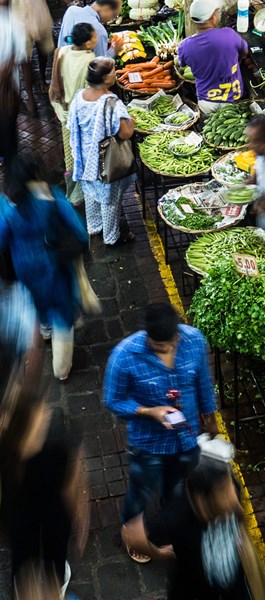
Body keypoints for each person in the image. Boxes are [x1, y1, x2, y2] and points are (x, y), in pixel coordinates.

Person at [104, 302, 220, 563]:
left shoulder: (194, 341)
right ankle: (132, 535)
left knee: (177, 490)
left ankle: (174, 527)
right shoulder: (124, 356)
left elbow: (203, 382)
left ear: (178, 333)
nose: (166, 351)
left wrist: (210, 419)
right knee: (140, 492)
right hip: (148, 444)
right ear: (147, 336)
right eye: (158, 348)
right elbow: (113, 400)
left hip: (187, 439)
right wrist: (149, 411)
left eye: (170, 345)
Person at [0, 348, 90, 598]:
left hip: (54, 514)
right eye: (39, 415)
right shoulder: (5, 451)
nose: (47, 416)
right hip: (19, 518)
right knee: (22, 561)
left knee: (55, 557)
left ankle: (57, 586)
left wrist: (81, 515)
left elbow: (74, 478)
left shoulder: (56, 443)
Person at [0, 154, 88, 381]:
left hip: (24, 270)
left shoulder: (7, 204)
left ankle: (45, 329)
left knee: (38, 305)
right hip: (54, 268)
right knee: (62, 312)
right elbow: (79, 231)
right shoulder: (52, 198)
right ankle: (61, 368)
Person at [123, 458, 263, 599]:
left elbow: (238, 512)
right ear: (202, 501)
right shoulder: (176, 515)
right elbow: (133, 536)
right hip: (194, 589)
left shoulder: (230, 487)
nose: (232, 499)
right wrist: (160, 554)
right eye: (224, 493)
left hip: (233, 583)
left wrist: (239, 538)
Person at [68, 56, 136, 246]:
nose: (116, 74)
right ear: (106, 79)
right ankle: (111, 237)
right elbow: (124, 134)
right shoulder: (112, 102)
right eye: (113, 71)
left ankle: (94, 227)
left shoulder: (79, 96)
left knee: (90, 192)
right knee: (110, 199)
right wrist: (131, 123)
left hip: (84, 157)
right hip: (105, 158)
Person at [50, 23, 97, 206]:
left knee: (70, 153)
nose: (96, 39)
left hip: (64, 111)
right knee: (83, 153)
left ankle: (72, 192)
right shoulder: (90, 60)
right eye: (94, 37)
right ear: (87, 43)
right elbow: (89, 92)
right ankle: (78, 195)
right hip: (81, 115)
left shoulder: (62, 51)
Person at [177, 0, 250, 115]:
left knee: (211, 130)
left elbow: (182, 64)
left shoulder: (184, 46)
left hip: (206, 102)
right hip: (233, 99)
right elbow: (244, 51)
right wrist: (235, 58)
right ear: (213, 17)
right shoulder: (229, 35)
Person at [11, 0, 54, 116]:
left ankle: (42, 79)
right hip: (20, 14)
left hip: (36, 11)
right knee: (24, 57)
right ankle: (31, 96)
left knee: (41, 48)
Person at [0, 0, 27, 163]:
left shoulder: (15, 23)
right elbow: (20, 57)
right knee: (8, 126)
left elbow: (20, 57)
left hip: (9, 86)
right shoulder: (15, 23)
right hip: (9, 86)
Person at [56, 0, 121, 58]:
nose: (112, 19)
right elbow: (100, 64)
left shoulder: (71, 10)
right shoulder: (99, 31)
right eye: (114, 15)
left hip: (61, 62)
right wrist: (114, 50)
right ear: (106, 9)